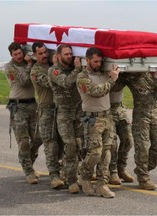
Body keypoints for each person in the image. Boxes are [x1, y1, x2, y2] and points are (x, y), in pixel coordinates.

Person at [76, 47, 120, 198]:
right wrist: (112, 80)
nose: (98, 64)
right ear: (87, 60)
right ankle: (85, 177)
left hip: (107, 117)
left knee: (106, 153)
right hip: (93, 119)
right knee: (95, 153)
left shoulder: (104, 73)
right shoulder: (82, 77)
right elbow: (96, 92)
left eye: (100, 61)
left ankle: (102, 184)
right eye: (95, 61)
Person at [4, 42, 42, 184]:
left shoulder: (29, 63)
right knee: (24, 141)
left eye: (20, 53)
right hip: (18, 107)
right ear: (11, 55)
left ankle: (28, 164)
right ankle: (29, 171)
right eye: (15, 54)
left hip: (32, 105)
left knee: (38, 138)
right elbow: (24, 82)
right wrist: (30, 64)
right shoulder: (9, 68)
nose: (18, 56)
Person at [48, 44, 83, 194]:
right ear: (59, 56)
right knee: (69, 145)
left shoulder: (75, 69)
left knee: (79, 144)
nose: (69, 56)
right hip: (64, 113)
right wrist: (77, 69)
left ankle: (74, 173)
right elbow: (66, 82)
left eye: (71, 54)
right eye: (66, 54)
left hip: (78, 112)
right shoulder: (54, 70)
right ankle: (71, 180)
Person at [126, 70, 157, 190]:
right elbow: (116, 87)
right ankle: (143, 178)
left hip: (156, 113)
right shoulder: (132, 74)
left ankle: (142, 169)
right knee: (142, 147)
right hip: (141, 115)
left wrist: (155, 76)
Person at [30, 42, 65, 189]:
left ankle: (64, 171)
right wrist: (57, 66)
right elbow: (52, 82)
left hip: (61, 108)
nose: (44, 55)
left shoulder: (54, 66)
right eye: (40, 53)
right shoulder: (35, 71)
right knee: (51, 144)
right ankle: (54, 176)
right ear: (34, 55)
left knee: (64, 143)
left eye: (46, 52)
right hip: (47, 110)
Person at [108, 74, 135, 185]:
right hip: (106, 110)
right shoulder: (102, 73)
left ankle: (121, 169)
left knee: (128, 140)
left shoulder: (123, 76)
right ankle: (112, 171)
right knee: (112, 143)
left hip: (120, 109)